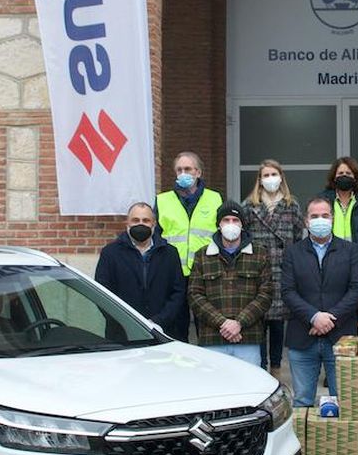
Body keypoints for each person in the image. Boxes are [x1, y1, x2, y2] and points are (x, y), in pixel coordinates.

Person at [279, 197, 358, 407]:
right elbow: (288, 291)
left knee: (343, 403)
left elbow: (357, 290)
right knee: (302, 402)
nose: (320, 220)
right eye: (314, 216)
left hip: (341, 338)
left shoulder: (350, 250)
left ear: (332, 219)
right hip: (302, 337)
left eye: (325, 216)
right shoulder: (293, 252)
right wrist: (314, 317)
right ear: (306, 221)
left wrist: (330, 318)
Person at [186, 200, 272, 365]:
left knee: (251, 387)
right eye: (226, 220)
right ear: (218, 224)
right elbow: (195, 295)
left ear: (242, 225)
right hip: (212, 339)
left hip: (248, 339)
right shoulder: (202, 256)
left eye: (235, 220)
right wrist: (223, 323)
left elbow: (265, 294)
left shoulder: (260, 254)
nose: (230, 224)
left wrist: (239, 322)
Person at [241, 160, 305, 375]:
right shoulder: (249, 206)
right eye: (266, 175)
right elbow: (244, 237)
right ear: (259, 179)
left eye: (274, 174)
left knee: (278, 323)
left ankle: (276, 368)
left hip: (282, 269)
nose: (270, 179)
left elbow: (297, 236)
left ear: (281, 177)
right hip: (258, 270)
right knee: (258, 322)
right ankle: (261, 368)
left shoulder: (292, 205)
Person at [155, 150, 222, 339]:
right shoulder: (163, 200)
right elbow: (157, 236)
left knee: (207, 324)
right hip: (173, 273)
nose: (183, 173)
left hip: (205, 271)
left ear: (198, 172)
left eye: (188, 169)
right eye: (179, 169)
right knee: (176, 325)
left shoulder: (215, 199)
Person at [93, 202, 186, 334]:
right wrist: (127, 322)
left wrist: (159, 321)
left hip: (163, 331)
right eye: (135, 220)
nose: (140, 224)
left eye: (146, 220)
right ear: (127, 223)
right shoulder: (110, 253)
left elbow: (178, 292)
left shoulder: (169, 253)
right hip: (122, 332)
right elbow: (102, 293)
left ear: (154, 224)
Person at [319, 156, 358, 302]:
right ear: (333, 177)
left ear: (355, 177)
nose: (344, 176)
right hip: (330, 262)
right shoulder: (323, 200)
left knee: (356, 308)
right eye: (340, 174)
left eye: (348, 174)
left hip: (357, 263)